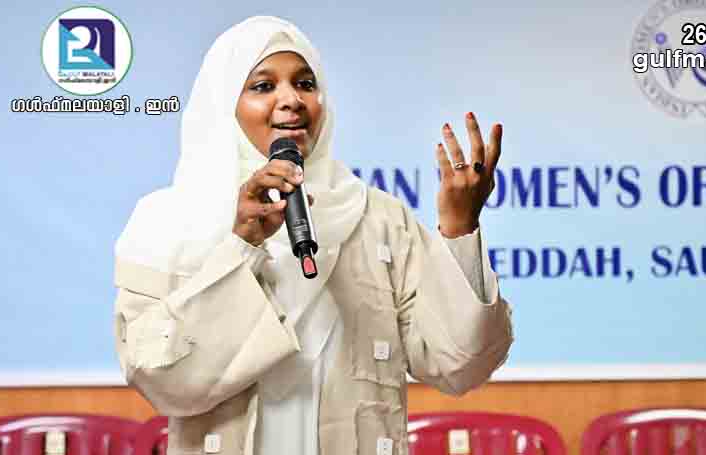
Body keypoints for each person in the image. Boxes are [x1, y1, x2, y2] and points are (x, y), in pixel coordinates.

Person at [113, 16, 513, 455]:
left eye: (305, 84)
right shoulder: (167, 221)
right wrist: (241, 246)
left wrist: (460, 227)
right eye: (263, 86)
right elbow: (159, 378)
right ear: (223, 103)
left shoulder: (378, 218)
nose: (292, 100)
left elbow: (459, 365)